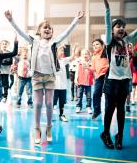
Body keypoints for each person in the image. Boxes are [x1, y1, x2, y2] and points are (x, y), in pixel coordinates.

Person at [5, 10, 84, 144]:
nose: (47, 29)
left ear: (52, 32)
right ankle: (37, 128)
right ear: (39, 31)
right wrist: (11, 20)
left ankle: (48, 128)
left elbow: (66, 33)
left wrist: (75, 20)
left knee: (48, 103)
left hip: (50, 76)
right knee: (37, 103)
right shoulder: (34, 41)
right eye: (45, 27)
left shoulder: (54, 42)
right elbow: (21, 32)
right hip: (36, 75)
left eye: (49, 28)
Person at [100, 0, 137, 150]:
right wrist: (107, 8)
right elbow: (107, 24)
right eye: (118, 26)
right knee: (110, 109)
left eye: (123, 26)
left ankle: (120, 136)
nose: (121, 28)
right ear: (112, 29)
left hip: (125, 80)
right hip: (111, 81)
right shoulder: (109, 42)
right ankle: (105, 134)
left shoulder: (127, 41)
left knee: (121, 111)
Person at [53, 44, 75, 122]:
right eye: (60, 51)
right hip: (54, 86)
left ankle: (61, 115)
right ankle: (50, 115)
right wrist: (59, 47)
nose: (62, 52)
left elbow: (72, 57)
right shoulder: (53, 60)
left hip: (63, 86)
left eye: (63, 51)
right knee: (53, 102)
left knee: (62, 102)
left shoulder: (63, 60)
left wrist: (74, 48)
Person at [91, 39, 108, 119]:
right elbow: (93, 69)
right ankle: (97, 110)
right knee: (96, 94)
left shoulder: (107, 53)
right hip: (99, 78)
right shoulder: (94, 57)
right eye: (93, 45)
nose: (95, 46)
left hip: (108, 76)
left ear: (102, 45)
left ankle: (109, 110)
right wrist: (87, 67)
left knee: (108, 95)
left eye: (97, 44)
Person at [74, 49, 94, 114]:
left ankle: (88, 107)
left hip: (88, 82)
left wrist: (94, 79)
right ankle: (78, 106)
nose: (85, 55)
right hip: (80, 82)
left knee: (89, 96)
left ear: (89, 55)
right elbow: (77, 71)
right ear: (81, 55)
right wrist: (75, 79)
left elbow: (93, 71)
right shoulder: (79, 63)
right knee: (79, 95)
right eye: (83, 54)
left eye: (86, 54)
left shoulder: (91, 63)